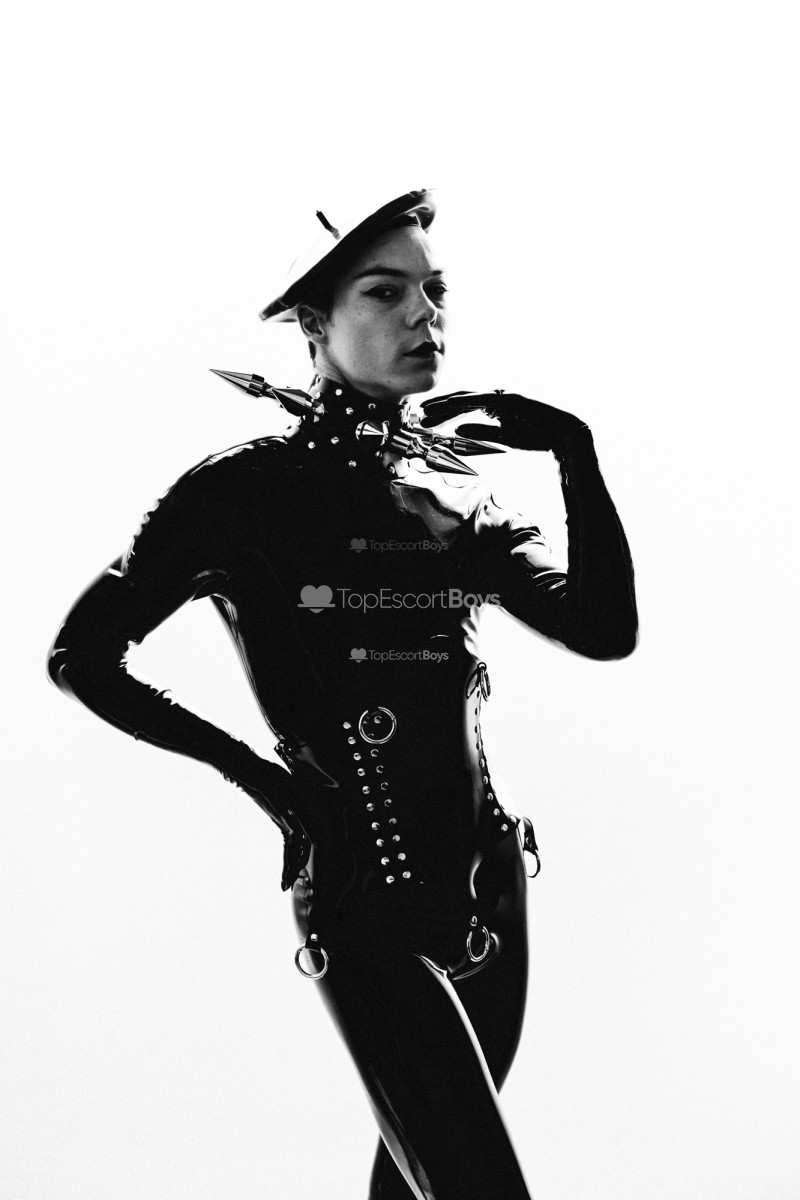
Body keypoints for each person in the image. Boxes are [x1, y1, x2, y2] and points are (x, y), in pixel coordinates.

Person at [48, 188, 638, 1200]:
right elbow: (83, 657)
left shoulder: (456, 493)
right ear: (314, 324)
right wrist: (266, 785)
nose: (424, 316)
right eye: (385, 292)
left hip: (491, 896)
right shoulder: (238, 493)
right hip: (367, 902)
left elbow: (602, 629)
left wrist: (574, 452)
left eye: (435, 292)